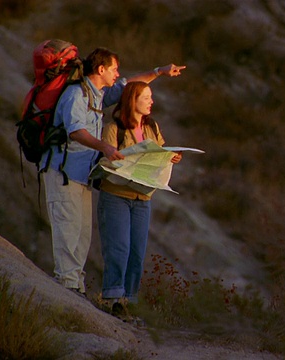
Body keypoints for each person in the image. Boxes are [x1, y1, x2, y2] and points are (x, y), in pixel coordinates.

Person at [40, 46, 185, 297]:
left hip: (80, 175)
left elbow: (131, 86)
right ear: (101, 69)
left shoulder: (97, 95)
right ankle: (67, 287)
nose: (118, 74)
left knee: (82, 234)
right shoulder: (76, 95)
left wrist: (159, 72)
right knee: (69, 230)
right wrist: (104, 147)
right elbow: (75, 131)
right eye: (115, 69)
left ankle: (75, 286)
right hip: (62, 172)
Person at [97, 81, 183, 312]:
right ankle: (113, 299)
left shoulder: (151, 127)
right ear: (132, 101)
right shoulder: (113, 129)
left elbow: (161, 152)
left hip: (142, 198)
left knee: (137, 251)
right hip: (116, 195)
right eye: (146, 97)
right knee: (119, 248)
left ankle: (129, 301)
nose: (151, 101)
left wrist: (171, 157)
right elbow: (105, 161)